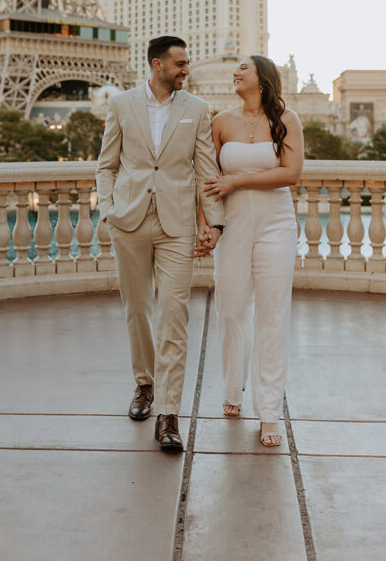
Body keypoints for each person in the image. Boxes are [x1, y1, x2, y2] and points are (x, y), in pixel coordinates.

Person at [96, 35, 224, 452]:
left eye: (186, 64)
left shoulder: (198, 110)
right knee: (137, 309)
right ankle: (144, 384)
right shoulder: (121, 104)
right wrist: (110, 209)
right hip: (129, 221)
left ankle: (169, 414)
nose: (187, 70)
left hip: (177, 225)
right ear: (157, 65)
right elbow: (107, 165)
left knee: (174, 314)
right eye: (181, 64)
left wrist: (214, 224)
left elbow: (206, 171)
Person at [200, 55, 303, 448]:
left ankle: (270, 411)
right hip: (234, 225)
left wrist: (237, 180)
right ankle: (232, 388)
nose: (235, 72)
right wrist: (206, 225)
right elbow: (206, 181)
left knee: (272, 314)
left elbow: (292, 173)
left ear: (261, 78)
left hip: (276, 223)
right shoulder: (220, 122)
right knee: (230, 309)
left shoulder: (286, 119)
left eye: (243, 67)